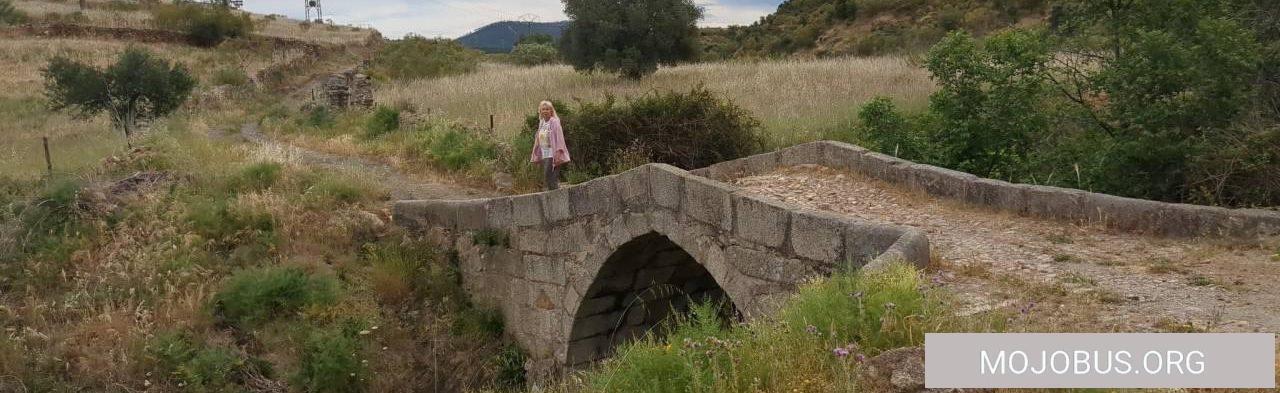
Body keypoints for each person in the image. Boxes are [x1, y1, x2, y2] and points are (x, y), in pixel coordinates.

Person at [530, 101, 570, 190]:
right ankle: (555, 192)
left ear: (551, 111)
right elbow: (538, 138)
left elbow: (560, 137)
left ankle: (556, 193)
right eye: (543, 109)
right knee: (549, 177)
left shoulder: (554, 122)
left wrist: (559, 150)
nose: (545, 111)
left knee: (548, 174)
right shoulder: (542, 122)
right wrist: (535, 151)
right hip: (544, 153)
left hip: (553, 152)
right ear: (540, 111)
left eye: (547, 109)